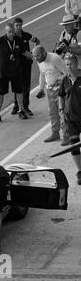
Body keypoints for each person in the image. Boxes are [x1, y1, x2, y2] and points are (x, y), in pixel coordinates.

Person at [0, 23, 29, 123]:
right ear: (6, 32)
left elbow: (24, 52)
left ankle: (21, 110)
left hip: (16, 71)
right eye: (9, 32)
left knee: (19, 91)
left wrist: (35, 56)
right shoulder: (0, 41)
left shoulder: (18, 40)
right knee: (1, 92)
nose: (11, 34)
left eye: (12, 32)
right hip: (3, 72)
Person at [33, 45, 70, 144]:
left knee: (62, 112)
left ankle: (67, 135)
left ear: (44, 53)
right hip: (49, 90)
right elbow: (42, 74)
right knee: (52, 113)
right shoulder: (40, 62)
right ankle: (55, 132)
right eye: (34, 56)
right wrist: (41, 88)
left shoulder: (55, 59)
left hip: (60, 90)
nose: (36, 58)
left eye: (38, 56)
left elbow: (66, 73)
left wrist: (58, 81)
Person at [58, 54, 81, 185]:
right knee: (74, 146)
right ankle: (80, 171)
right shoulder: (65, 80)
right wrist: (61, 111)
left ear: (76, 64)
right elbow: (61, 96)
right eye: (66, 65)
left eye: (71, 64)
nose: (69, 67)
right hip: (71, 119)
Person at [12, 17, 40, 116]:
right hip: (16, 65)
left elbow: (37, 40)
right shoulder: (12, 37)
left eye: (20, 25)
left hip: (26, 64)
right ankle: (16, 105)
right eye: (17, 25)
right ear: (13, 26)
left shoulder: (26, 35)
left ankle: (25, 106)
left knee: (26, 85)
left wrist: (34, 51)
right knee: (16, 85)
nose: (19, 27)